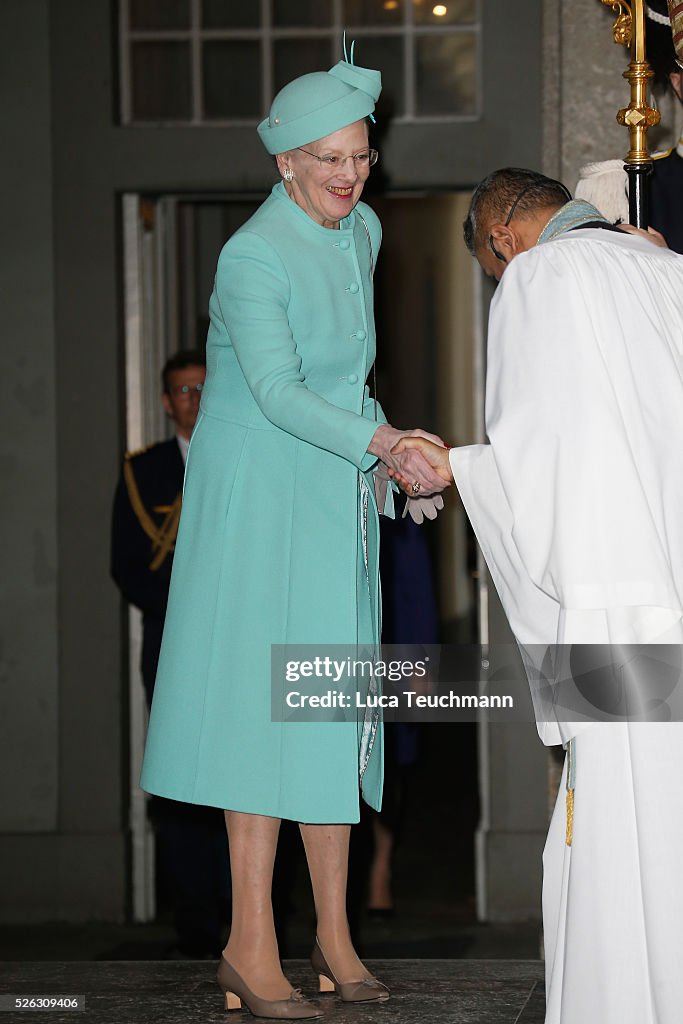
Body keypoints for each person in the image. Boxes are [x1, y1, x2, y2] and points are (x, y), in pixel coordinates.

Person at [140, 52, 447, 1019]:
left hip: (330, 494)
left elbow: (346, 381)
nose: (349, 176)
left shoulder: (363, 231)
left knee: (335, 711)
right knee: (260, 724)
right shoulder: (251, 256)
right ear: (283, 163)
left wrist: (388, 464)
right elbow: (275, 393)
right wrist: (384, 442)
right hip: (259, 503)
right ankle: (247, 944)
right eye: (327, 160)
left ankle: (335, 936)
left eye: (360, 155)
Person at [391, 169, 683, 1024]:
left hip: (612, 600)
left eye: (488, 265)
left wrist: (462, 468)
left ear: (502, 237)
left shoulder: (539, 277)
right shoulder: (666, 270)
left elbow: (540, 454)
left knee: (622, 828)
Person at [111, 350, 231, 958]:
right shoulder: (145, 473)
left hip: (237, 640)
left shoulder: (243, 460)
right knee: (181, 779)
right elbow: (128, 566)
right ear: (166, 403)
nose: (196, 400)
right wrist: (189, 608)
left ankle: (248, 912)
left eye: (205, 388)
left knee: (240, 774)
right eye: (183, 391)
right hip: (172, 643)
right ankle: (195, 918)